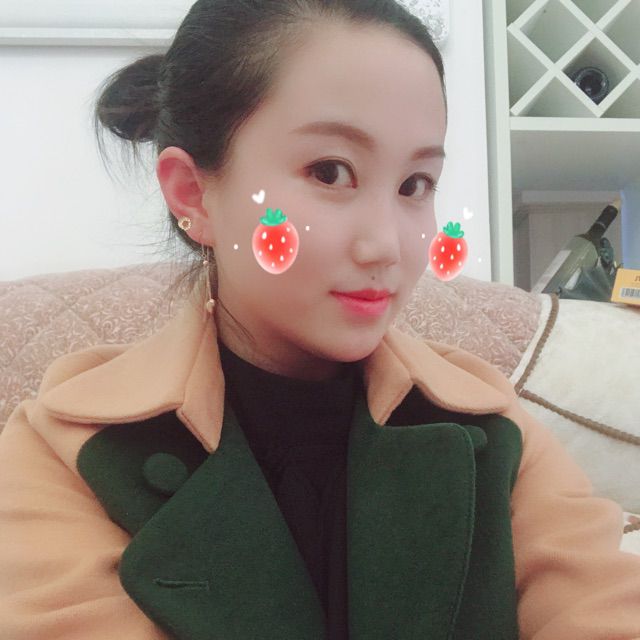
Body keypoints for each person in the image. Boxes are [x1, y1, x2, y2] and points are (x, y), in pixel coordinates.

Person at [1, 1, 639, 638]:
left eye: (415, 184)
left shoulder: (494, 430)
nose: (386, 245)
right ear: (193, 193)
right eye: (330, 172)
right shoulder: (63, 453)